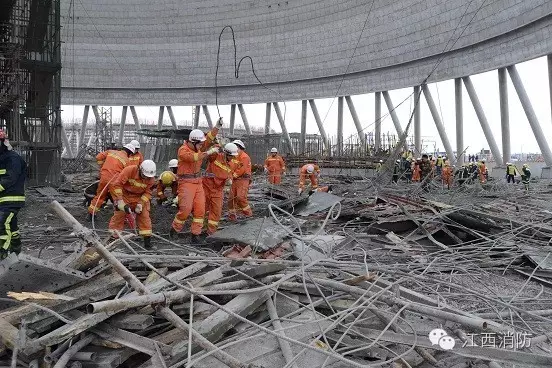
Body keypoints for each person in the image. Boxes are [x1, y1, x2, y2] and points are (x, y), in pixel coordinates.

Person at [170, 119, 222, 242]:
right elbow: (193, 158)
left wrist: (217, 127)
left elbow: (208, 138)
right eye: (199, 144)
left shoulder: (198, 146)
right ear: (193, 142)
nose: (201, 146)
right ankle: (174, 229)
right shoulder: (183, 150)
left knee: (200, 210)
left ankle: (195, 234)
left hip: (198, 182)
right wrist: (209, 152)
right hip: (186, 183)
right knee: (185, 210)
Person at [109, 160, 157, 248]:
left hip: (139, 197)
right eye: (144, 176)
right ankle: (113, 239)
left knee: (145, 217)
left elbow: (148, 193)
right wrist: (120, 201)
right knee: (119, 215)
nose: (146, 178)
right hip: (125, 195)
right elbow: (117, 184)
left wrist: (140, 204)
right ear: (140, 169)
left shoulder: (151, 179)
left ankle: (147, 243)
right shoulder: (129, 170)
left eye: (148, 177)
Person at [88, 143, 135, 219]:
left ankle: (91, 215)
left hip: (103, 178)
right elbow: (126, 175)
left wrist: (102, 166)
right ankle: (121, 217)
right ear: (129, 153)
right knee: (118, 199)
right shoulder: (127, 161)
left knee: (99, 196)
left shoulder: (111, 151)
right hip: (114, 181)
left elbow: (98, 157)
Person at [0, 131, 25, 259]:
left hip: (11, 199)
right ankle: (17, 252)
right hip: (3, 200)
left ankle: (2, 254)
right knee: (12, 227)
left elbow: (11, 178)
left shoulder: (12, 158)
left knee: (2, 226)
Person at [203, 143, 238, 234]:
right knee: (202, 209)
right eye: (231, 156)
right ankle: (200, 229)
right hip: (206, 186)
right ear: (226, 153)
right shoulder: (215, 157)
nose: (232, 158)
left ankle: (211, 232)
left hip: (218, 190)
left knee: (216, 211)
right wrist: (218, 145)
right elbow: (210, 152)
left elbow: (229, 174)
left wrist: (229, 180)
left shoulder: (231, 164)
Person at [228, 140, 252, 221]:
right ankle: (232, 216)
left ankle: (248, 214)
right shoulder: (234, 156)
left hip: (243, 179)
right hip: (235, 179)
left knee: (240, 197)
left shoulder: (244, 157)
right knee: (231, 198)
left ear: (240, 147)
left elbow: (241, 170)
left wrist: (231, 177)